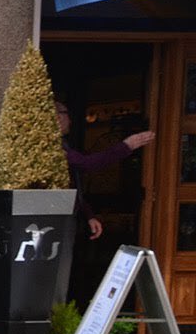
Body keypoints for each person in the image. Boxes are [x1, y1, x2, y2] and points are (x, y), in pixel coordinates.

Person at [56, 100, 154, 242]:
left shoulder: (62, 144)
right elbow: (87, 163)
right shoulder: (51, 147)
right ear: (58, 117)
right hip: (55, 217)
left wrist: (89, 215)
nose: (70, 121)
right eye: (67, 115)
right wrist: (127, 146)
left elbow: (73, 184)